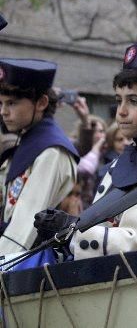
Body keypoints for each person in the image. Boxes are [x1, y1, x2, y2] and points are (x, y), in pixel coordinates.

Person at [34, 42, 137, 260]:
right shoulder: (126, 159)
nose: (121, 111)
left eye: (134, 101)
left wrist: (71, 230)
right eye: (119, 100)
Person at [0, 59, 80, 256]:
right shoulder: (28, 141)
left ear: (42, 103)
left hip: (27, 263)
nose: (3, 112)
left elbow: (24, 229)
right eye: (0, 103)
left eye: (12, 103)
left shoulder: (51, 151)